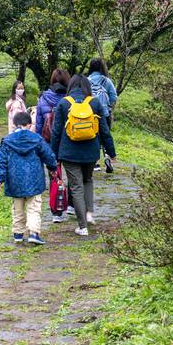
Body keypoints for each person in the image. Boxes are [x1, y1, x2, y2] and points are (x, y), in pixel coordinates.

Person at [50, 74, 116, 236]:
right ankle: (89, 214)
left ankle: (82, 226)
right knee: (88, 181)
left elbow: (56, 132)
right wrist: (111, 152)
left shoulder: (64, 103)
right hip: (91, 152)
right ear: (87, 86)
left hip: (69, 153)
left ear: (71, 86)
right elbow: (104, 130)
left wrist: (53, 156)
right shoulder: (94, 103)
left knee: (76, 186)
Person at [0, 110, 57, 246]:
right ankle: (34, 233)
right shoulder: (36, 139)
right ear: (29, 124)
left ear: (15, 124)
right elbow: (49, 155)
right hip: (34, 178)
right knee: (34, 206)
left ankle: (18, 234)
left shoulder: (7, 140)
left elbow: (2, 160)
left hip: (14, 178)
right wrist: (53, 168)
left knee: (17, 207)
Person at [35, 68, 71, 222]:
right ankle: (72, 206)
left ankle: (56, 211)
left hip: (49, 142)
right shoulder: (71, 99)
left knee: (54, 175)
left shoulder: (44, 98)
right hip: (70, 142)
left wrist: (38, 144)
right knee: (73, 175)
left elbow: (38, 124)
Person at [87, 59, 119, 173]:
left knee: (93, 136)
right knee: (106, 135)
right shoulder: (107, 81)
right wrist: (108, 107)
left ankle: (95, 163)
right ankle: (107, 157)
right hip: (104, 113)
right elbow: (114, 97)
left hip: (89, 114)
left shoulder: (86, 81)